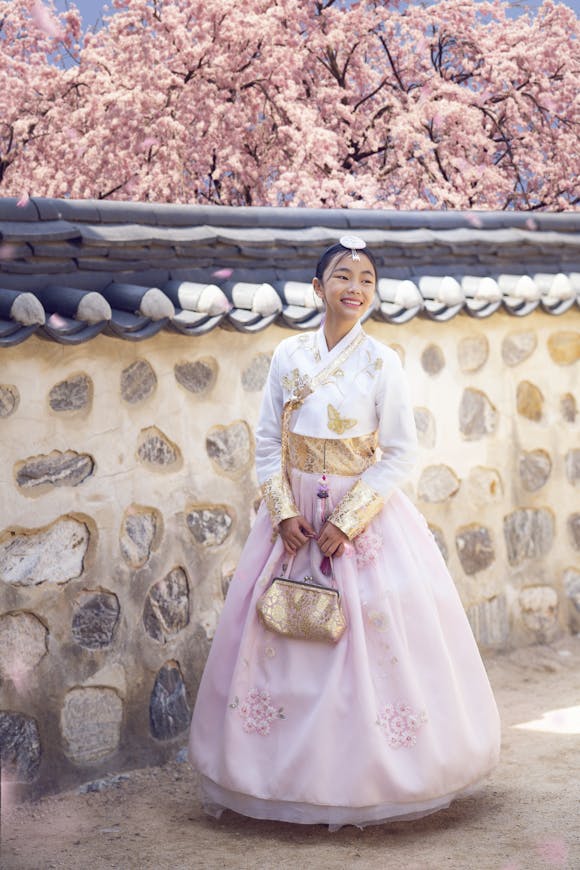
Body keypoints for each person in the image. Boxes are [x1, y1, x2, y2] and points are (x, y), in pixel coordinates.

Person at [188, 237, 500, 830]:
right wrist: (281, 511)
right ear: (317, 288)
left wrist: (350, 522)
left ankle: (365, 777)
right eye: (341, 276)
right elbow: (267, 443)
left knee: (369, 641)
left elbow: (400, 453)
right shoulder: (288, 356)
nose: (354, 287)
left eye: (365, 278)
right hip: (294, 516)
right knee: (277, 633)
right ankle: (272, 778)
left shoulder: (384, 363)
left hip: (363, 516)